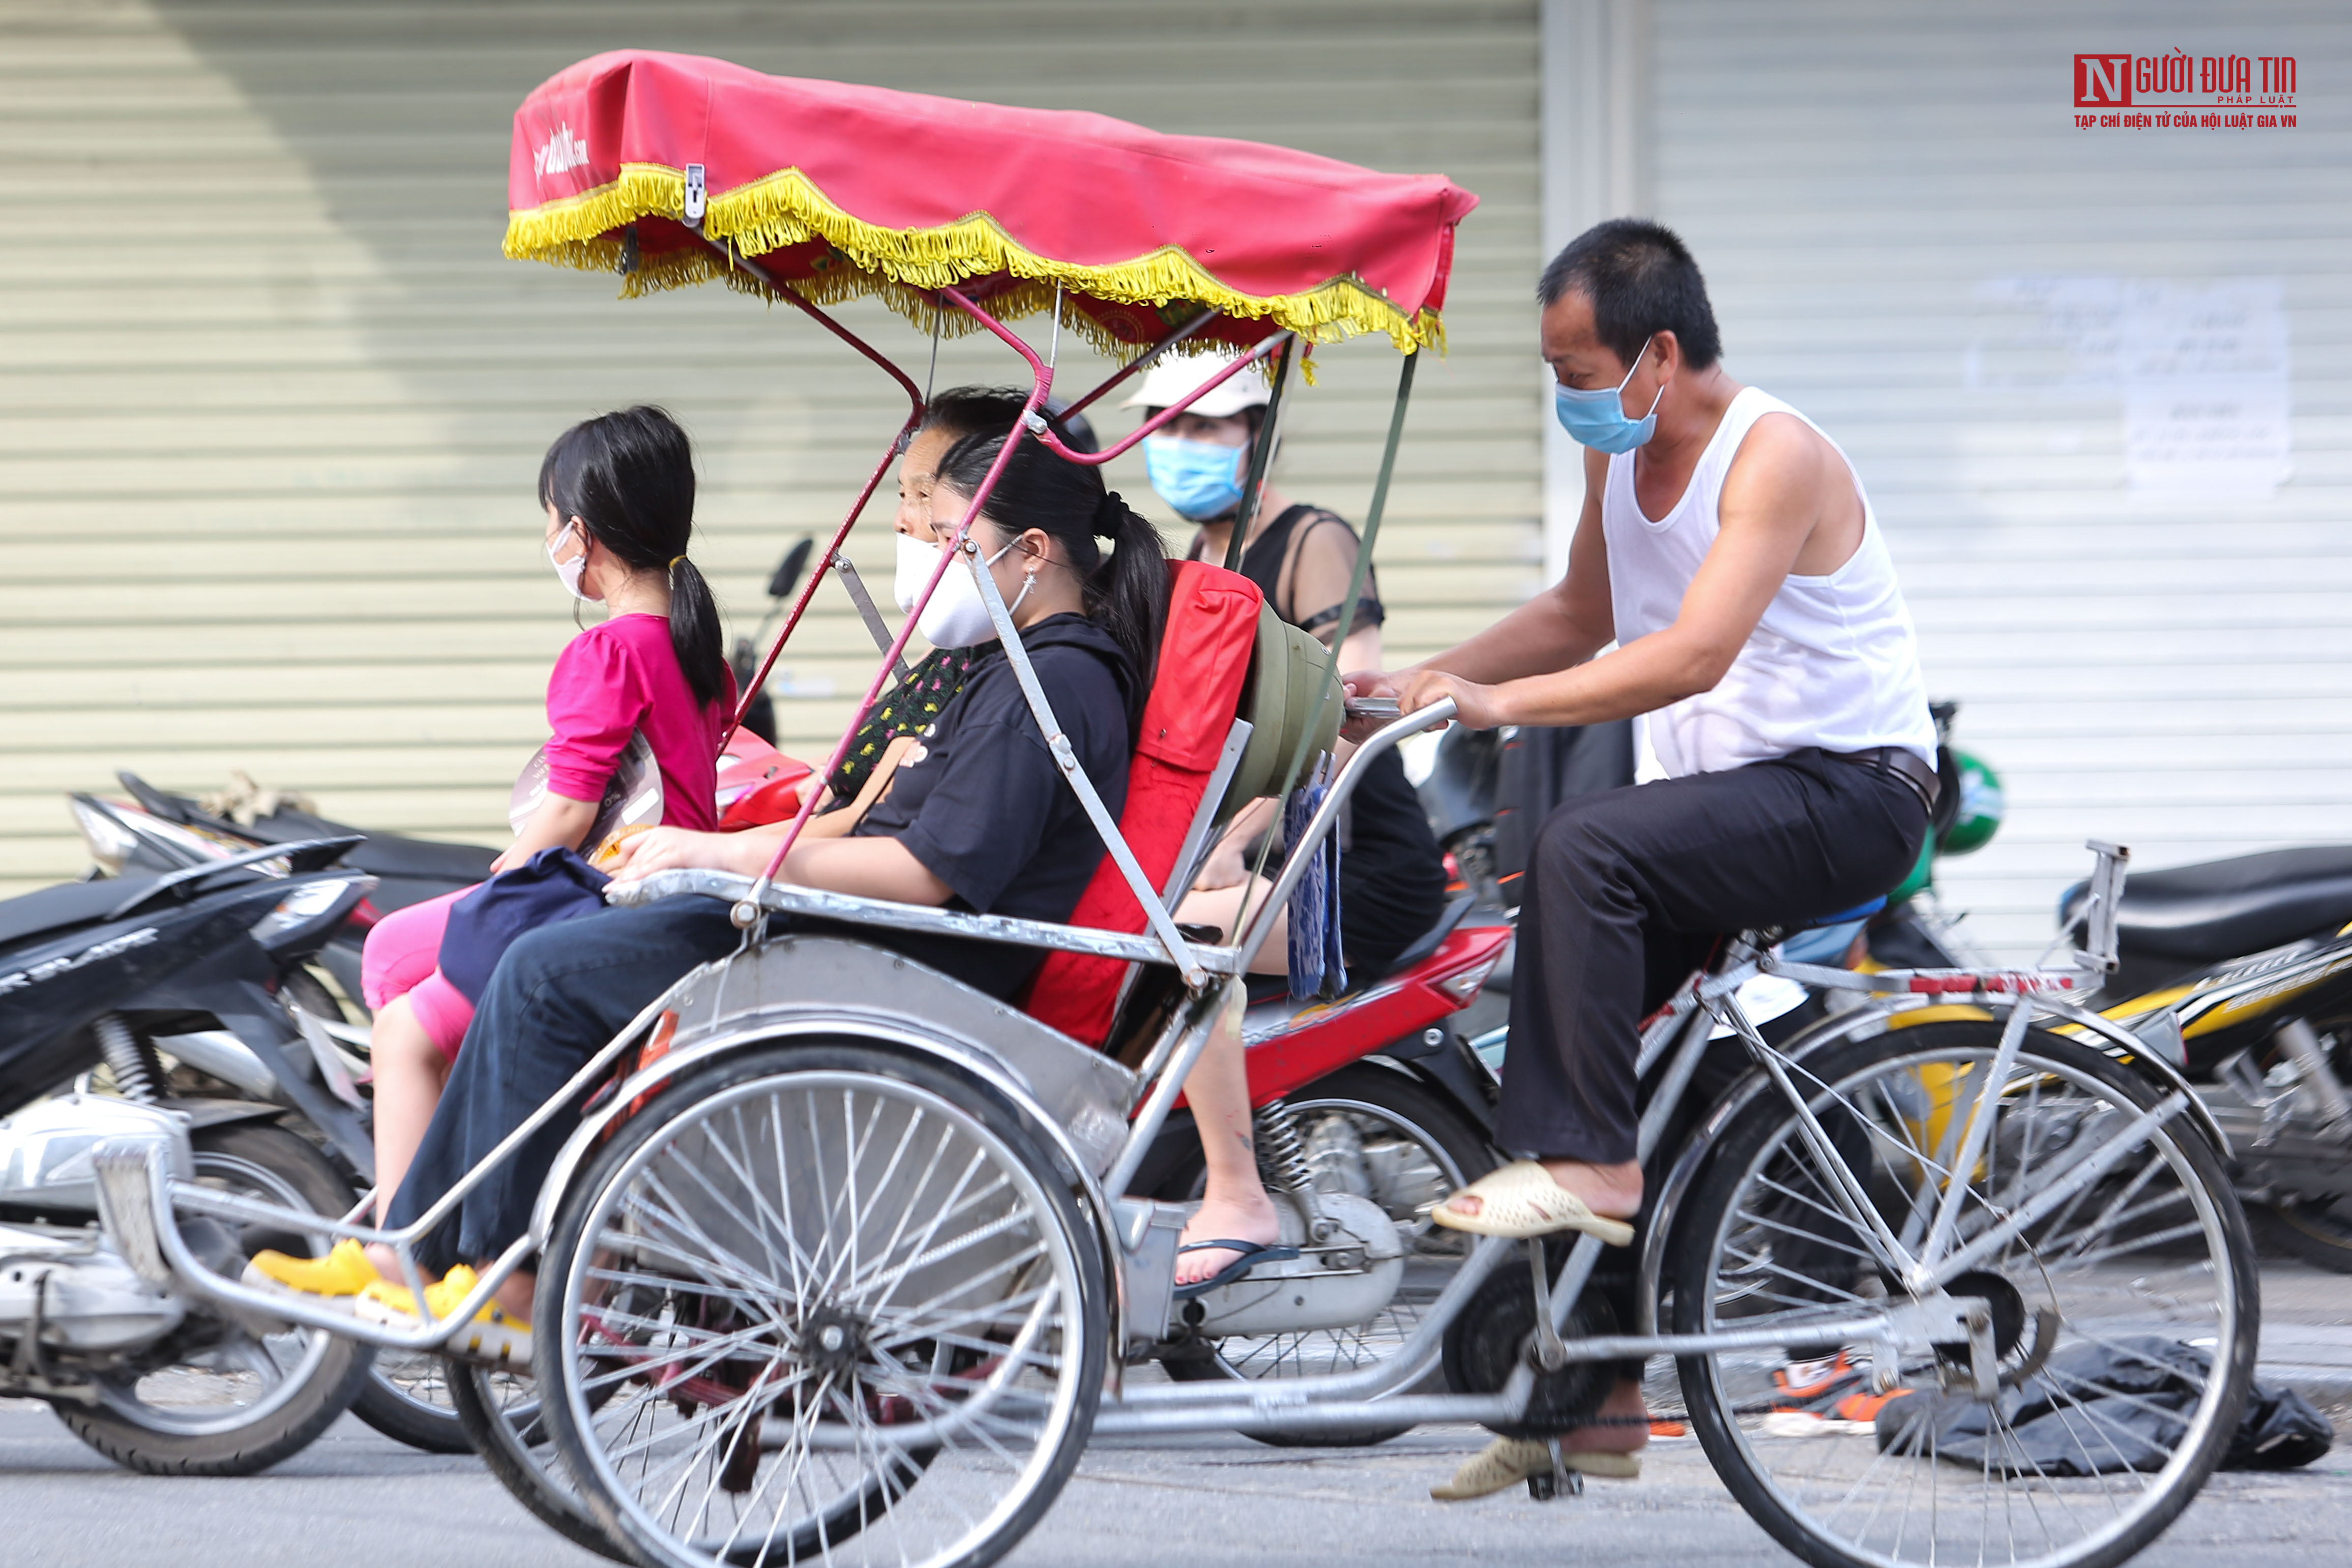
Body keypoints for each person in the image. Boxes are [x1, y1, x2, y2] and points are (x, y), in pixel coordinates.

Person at [262, 430, 1179, 1355]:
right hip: (861, 929)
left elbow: (924, 874)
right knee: (544, 956)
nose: (920, 547)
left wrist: (729, 859)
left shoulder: (1055, 682)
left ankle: (505, 1273)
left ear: (1031, 551)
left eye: (941, 532)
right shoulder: (1009, 667)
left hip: (903, 953)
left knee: (543, 970)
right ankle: (416, 1248)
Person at [1350, 219, 1936, 1493]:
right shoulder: (1625, 462)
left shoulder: (1770, 456)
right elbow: (1585, 613)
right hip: (1728, 803)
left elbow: (1690, 654)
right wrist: (1433, 678)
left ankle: (1591, 1169)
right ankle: (1598, 1400)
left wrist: (1503, 709)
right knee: (1596, 1023)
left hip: (1851, 793)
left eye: (1579, 371)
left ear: (1657, 355)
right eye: (1553, 372)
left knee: (1582, 851)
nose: (1567, 399)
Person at [244, 405, 733, 1304]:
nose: (548, 538)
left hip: (606, 894)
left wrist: (502, 879)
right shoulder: (697, 649)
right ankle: (437, 1189)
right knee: (405, 956)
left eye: (549, 520)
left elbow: (567, 812)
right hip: (666, 894)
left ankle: (408, 1236)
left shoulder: (607, 651)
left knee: (396, 992)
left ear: (580, 534)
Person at [1121, 350, 1450, 1287]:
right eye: (1168, 427)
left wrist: (1227, 843)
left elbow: (1341, 729)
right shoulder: (1190, 558)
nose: (1180, 446)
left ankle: (1239, 1194)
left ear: (1255, 436)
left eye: (1205, 427)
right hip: (1252, 853)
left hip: (1352, 865)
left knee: (1177, 940)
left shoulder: (1312, 542)